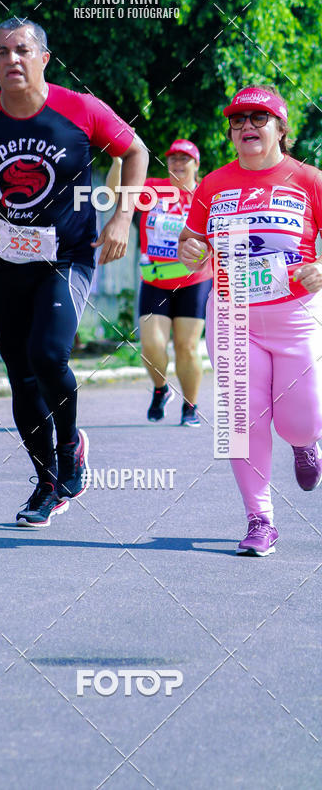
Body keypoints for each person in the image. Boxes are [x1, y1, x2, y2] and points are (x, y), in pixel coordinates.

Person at [0, 18, 148, 526]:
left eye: (22, 50)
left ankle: (71, 444)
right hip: (6, 260)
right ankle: (46, 482)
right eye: (1, 52)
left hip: (68, 254)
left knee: (48, 354)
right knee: (21, 377)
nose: (12, 59)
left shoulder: (79, 109)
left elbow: (135, 149)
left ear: (43, 58)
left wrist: (123, 214)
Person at [179, 85, 322, 556]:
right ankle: (259, 520)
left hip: (295, 315)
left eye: (258, 119)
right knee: (241, 422)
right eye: (238, 121)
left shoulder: (309, 180)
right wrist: (192, 251)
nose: (246, 127)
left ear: (282, 128)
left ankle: (305, 445)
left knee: (301, 421)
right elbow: (191, 248)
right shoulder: (214, 184)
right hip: (231, 313)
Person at [109, 140, 213, 426]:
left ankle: (190, 406)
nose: (178, 164)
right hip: (155, 279)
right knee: (151, 346)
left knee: (187, 347)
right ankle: (161, 389)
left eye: (185, 159)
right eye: (173, 159)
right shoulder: (152, 189)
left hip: (195, 280)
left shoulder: (206, 195)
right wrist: (118, 163)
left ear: (196, 165)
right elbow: (113, 192)